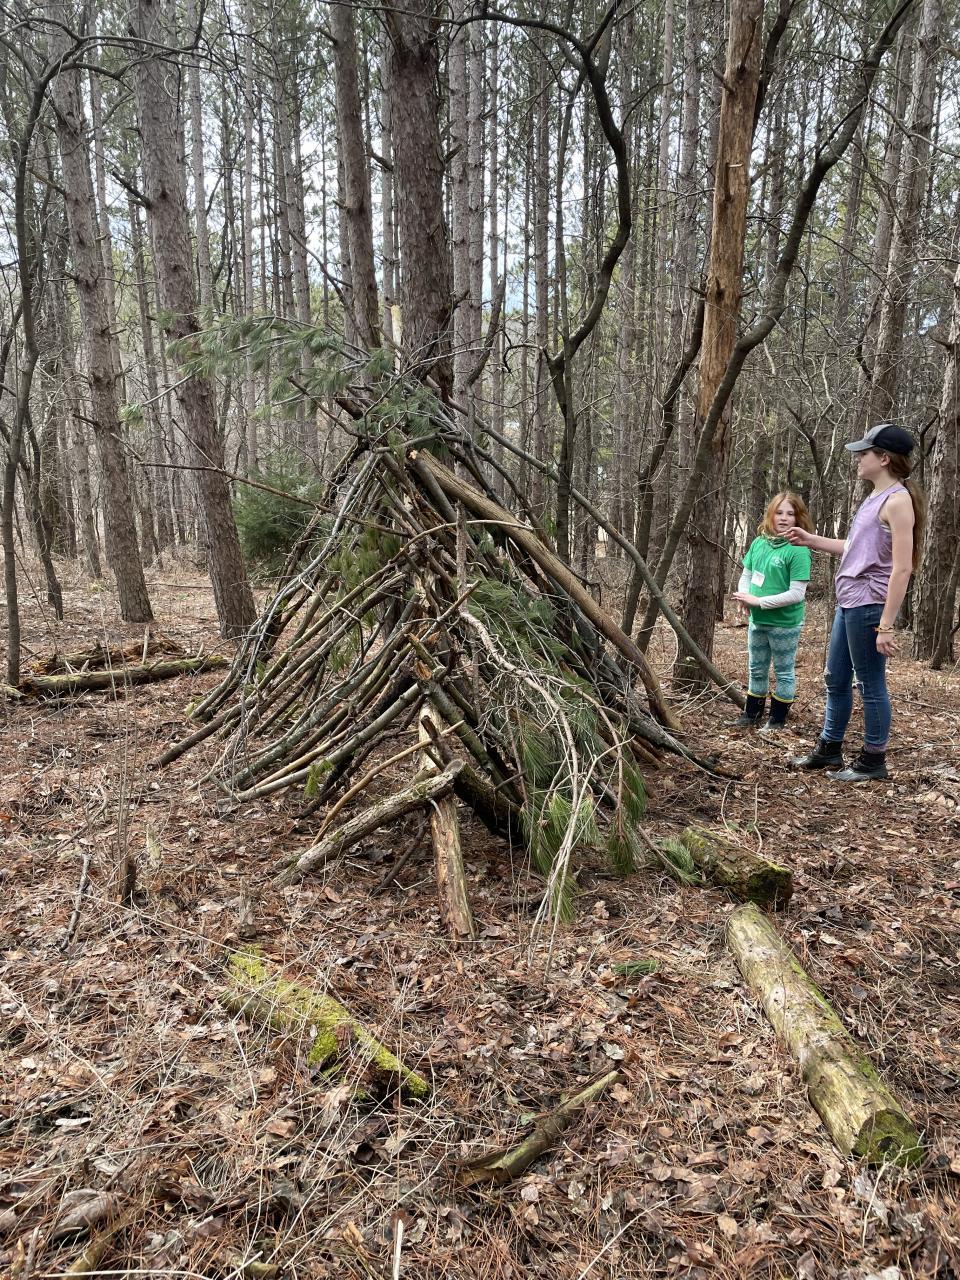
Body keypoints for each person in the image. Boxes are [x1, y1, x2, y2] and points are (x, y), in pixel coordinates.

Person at [786, 423, 925, 782]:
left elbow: (903, 567)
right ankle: (829, 748)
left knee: (870, 683)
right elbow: (856, 548)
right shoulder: (874, 497)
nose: (858, 459)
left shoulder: (898, 501)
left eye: (864, 454)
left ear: (884, 458)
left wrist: (886, 625)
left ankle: (873, 760)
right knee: (836, 678)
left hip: (869, 605)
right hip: (849, 601)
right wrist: (811, 539)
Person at [731, 492, 813, 731]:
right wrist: (744, 597)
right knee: (756, 668)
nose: (784, 518)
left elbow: (797, 593)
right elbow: (747, 575)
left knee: (783, 671)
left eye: (790, 514)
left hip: (784, 623)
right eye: (779, 513)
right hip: (757, 620)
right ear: (771, 515)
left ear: (798, 518)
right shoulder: (759, 543)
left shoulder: (798, 549)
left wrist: (758, 601)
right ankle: (752, 715)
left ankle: (776, 720)